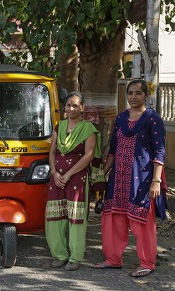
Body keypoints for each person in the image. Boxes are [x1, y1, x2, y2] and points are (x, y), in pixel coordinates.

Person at [91, 80, 167, 278]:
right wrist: (102, 174)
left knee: (142, 220)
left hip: (141, 178)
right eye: (130, 93)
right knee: (113, 217)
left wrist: (156, 181)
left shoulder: (153, 119)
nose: (133, 96)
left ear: (146, 96)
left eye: (138, 93)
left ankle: (147, 263)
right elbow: (113, 150)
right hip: (118, 178)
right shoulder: (121, 118)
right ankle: (113, 259)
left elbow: (159, 151)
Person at [45, 92, 101, 271]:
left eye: (75, 105)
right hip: (57, 177)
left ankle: (75, 258)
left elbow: (88, 155)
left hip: (76, 177)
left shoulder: (88, 129)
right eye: (68, 105)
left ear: (82, 108)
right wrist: (54, 172)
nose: (71, 109)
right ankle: (59, 255)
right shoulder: (58, 126)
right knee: (55, 217)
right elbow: (52, 151)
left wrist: (67, 175)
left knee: (75, 217)